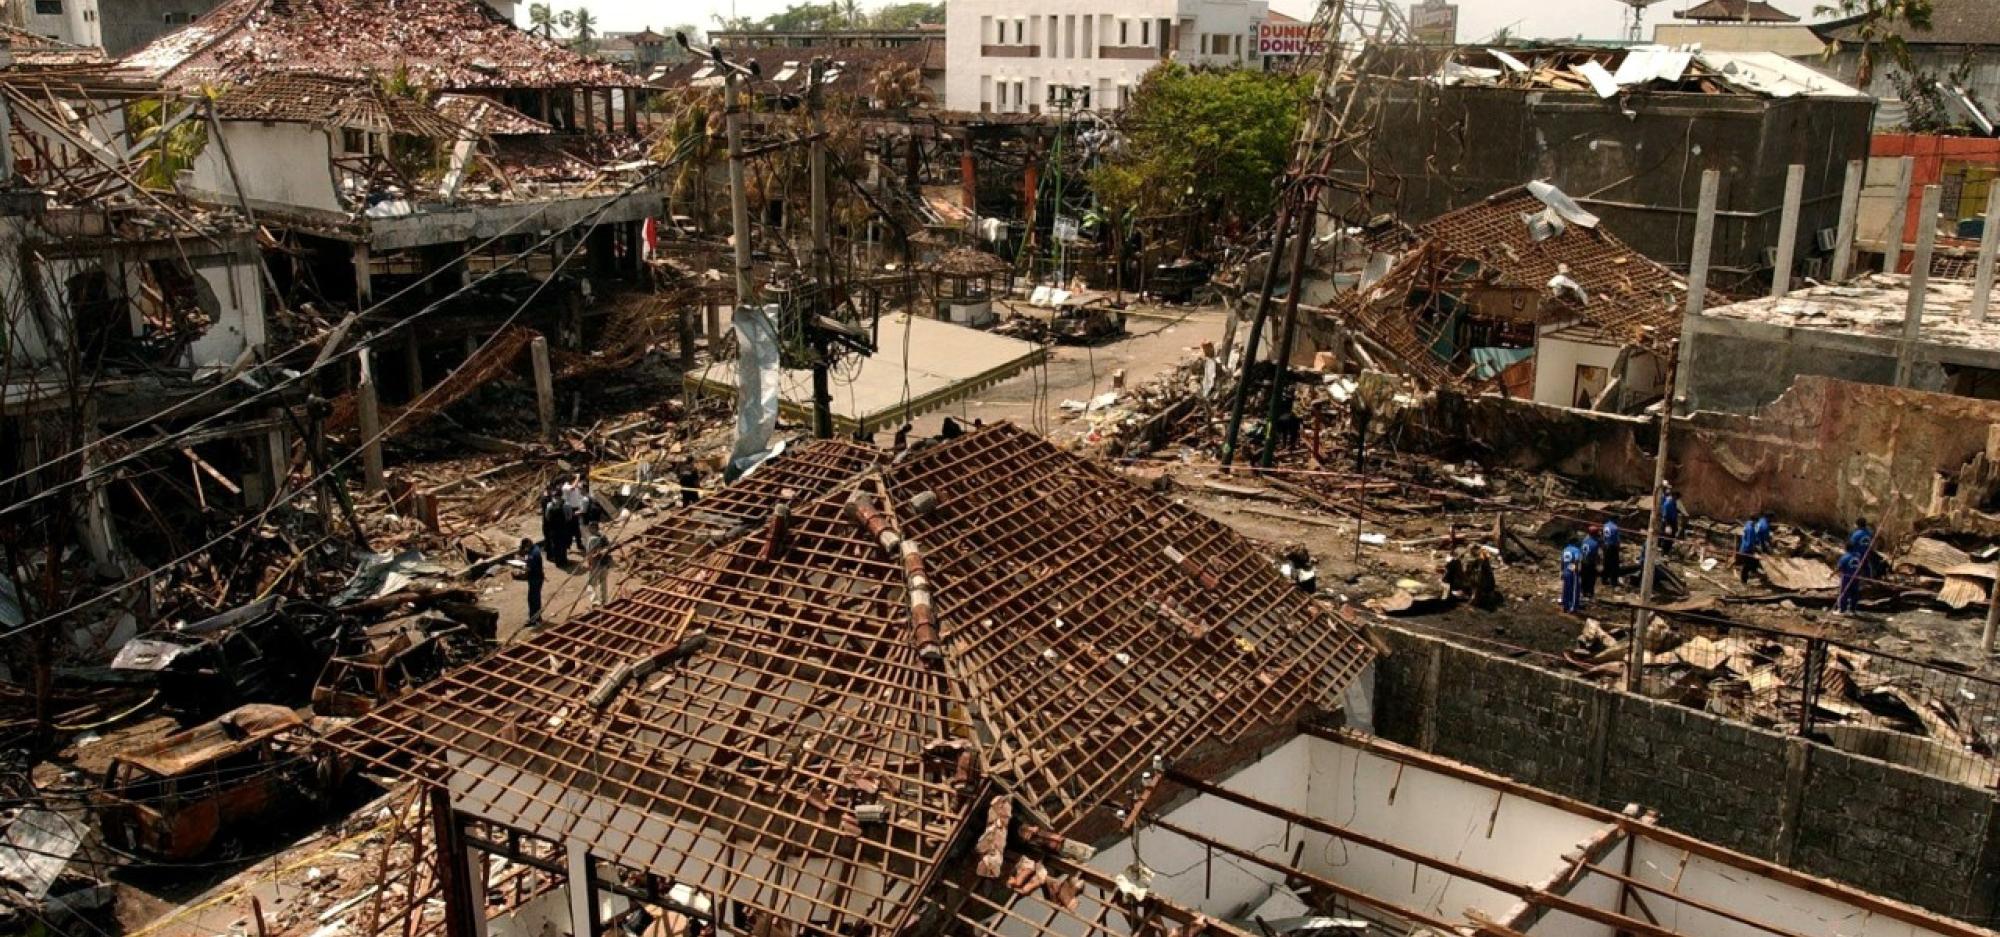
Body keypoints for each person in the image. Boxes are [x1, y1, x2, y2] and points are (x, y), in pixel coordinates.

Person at [541, 486, 570, 566]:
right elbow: (569, 517)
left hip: (553, 529)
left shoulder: (550, 505)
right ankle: (564, 560)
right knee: (563, 544)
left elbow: (547, 516)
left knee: (555, 544)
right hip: (563, 527)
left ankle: (557, 561)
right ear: (561, 495)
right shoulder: (566, 504)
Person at [584, 528, 614, 607]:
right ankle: (604, 600)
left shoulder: (592, 539)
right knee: (603, 583)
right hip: (604, 564)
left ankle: (595, 601)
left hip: (596, 565)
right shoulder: (604, 537)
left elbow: (590, 553)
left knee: (590, 585)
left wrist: (589, 564)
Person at [519, 538, 545, 625]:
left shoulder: (533, 554)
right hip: (537, 578)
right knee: (535, 599)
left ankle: (535, 619)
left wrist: (521, 573)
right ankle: (536, 618)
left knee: (533, 600)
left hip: (535, 579)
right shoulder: (535, 549)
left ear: (528, 545)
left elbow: (528, 568)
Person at [1736, 515, 1766, 584]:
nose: (1757, 523)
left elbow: (1752, 538)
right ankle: (1744, 581)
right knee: (1747, 565)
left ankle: (1750, 576)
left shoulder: (1748, 525)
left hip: (1745, 547)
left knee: (1752, 563)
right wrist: (1754, 549)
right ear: (1754, 520)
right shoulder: (1750, 528)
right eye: (1757, 521)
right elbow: (1749, 541)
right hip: (1747, 549)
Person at [1836, 548, 1863, 614]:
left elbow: (1839, 567)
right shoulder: (1858, 557)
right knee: (1854, 594)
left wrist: (1831, 574)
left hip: (1847, 578)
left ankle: (1842, 610)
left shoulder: (1845, 557)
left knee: (1844, 593)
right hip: (1856, 578)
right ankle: (1852, 610)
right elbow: (1862, 567)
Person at [1559, 537, 1583, 613]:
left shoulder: (1565, 549)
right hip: (1573, 572)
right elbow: (1576, 560)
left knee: (1566, 589)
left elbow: (1562, 561)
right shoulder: (1576, 550)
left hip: (1566, 571)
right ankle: (1573, 608)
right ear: (1575, 542)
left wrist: (1562, 571)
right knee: (1575, 590)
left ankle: (1565, 606)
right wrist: (1575, 569)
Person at [1578, 527, 1602, 601]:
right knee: (1591, 579)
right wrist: (1598, 564)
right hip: (1590, 563)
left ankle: (1583, 592)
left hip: (1583, 562)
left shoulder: (1585, 540)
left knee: (1584, 577)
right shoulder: (1595, 543)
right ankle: (1589, 593)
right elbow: (1597, 555)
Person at [1601, 518, 1622, 588]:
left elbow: (1603, 536)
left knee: (1606, 564)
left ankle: (1604, 580)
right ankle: (1614, 582)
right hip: (1612, 547)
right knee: (1614, 565)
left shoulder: (1605, 525)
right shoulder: (1615, 528)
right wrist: (1618, 548)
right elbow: (1618, 541)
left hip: (1606, 546)